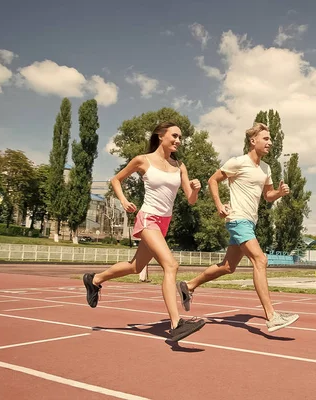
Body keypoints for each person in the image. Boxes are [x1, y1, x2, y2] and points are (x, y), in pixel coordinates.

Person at [82, 121, 205, 342]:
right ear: (160, 136)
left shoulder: (180, 166)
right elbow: (115, 180)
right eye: (174, 136)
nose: (178, 140)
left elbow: (191, 200)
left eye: (180, 138)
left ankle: (95, 279)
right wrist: (124, 200)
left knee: (135, 266)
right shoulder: (143, 160)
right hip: (148, 218)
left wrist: (195, 190)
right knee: (171, 265)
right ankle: (176, 324)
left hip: (164, 223)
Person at [176, 122, 299, 333]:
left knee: (228, 267)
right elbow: (212, 180)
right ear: (253, 141)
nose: (270, 142)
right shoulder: (238, 162)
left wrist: (278, 193)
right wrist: (219, 206)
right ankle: (271, 316)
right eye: (266, 139)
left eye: (270, 139)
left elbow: (267, 197)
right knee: (260, 259)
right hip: (237, 219)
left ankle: (189, 285)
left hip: (249, 221)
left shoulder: (266, 168)